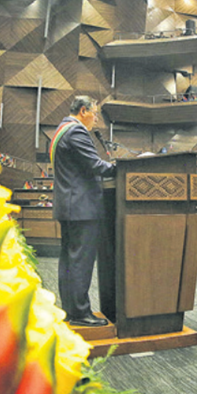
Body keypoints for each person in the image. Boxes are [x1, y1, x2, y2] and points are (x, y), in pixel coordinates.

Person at [52, 96, 115, 327]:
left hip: (70, 205)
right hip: (82, 207)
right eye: (94, 113)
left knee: (69, 261)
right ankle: (80, 313)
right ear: (82, 111)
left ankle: (71, 310)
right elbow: (96, 165)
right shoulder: (76, 132)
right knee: (80, 262)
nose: (96, 119)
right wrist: (121, 168)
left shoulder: (61, 129)